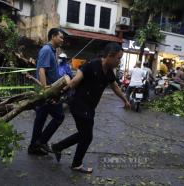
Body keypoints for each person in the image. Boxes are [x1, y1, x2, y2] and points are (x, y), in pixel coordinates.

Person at [50, 42, 131, 173]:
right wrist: (58, 95)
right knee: (87, 136)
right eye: (118, 58)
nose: (119, 61)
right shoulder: (91, 65)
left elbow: (115, 87)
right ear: (110, 56)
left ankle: (58, 147)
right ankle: (76, 163)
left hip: (89, 107)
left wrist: (125, 100)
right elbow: (75, 81)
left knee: (84, 134)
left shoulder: (109, 71)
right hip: (79, 104)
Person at [28, 28, 65, 155]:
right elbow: (42, 70)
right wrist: (45, 90)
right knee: (59, 116)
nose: (62, 40)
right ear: (53, 37)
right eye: (61, 37)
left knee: (41, 118)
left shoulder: (52, 50)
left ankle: (34, 146)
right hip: (47, 91)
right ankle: (40, 143)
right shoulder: (47, 50)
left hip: (49, 90)